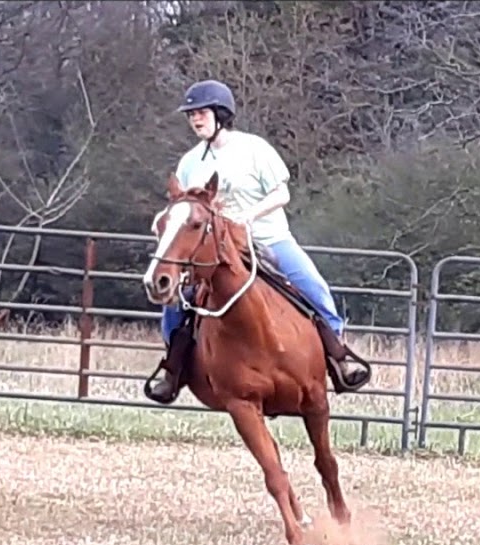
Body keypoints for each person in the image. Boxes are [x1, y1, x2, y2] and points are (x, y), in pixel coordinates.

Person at [144, 79, 370, 404]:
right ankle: (172, 371)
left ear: (221, 114)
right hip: (216, 250)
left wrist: (248, 216)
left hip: (268, 238)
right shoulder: (190, 162)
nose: (195, 119)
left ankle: (340, 358)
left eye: (201, 112)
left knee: (314, 287)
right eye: (191, 114)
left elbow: (282, 193)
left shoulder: (254, 149)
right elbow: (184, 208)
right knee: (178, 302)